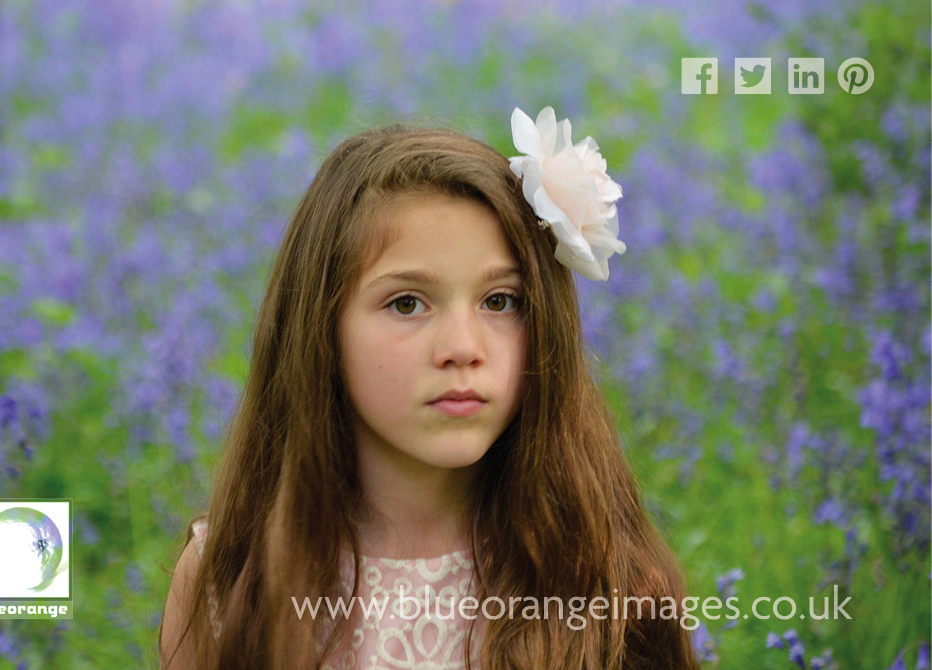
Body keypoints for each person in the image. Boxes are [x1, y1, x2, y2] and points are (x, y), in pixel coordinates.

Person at [159, 107, 699, 669]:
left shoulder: (604, 573)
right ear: (321, 328)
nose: (463, 347)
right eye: (407, 303)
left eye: (500, 301)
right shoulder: (230, 574)